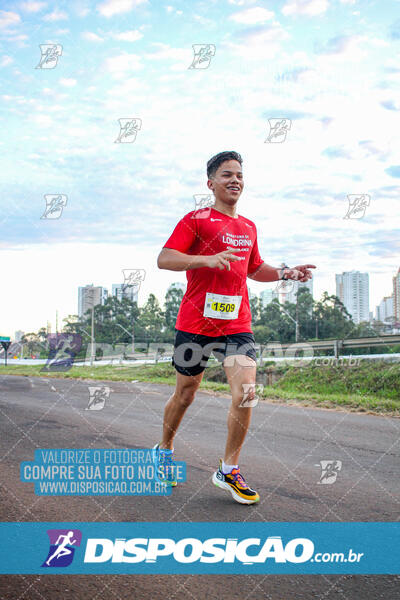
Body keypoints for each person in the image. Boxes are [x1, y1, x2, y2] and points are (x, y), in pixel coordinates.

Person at [153, 150, 315, 504]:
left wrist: (285, 272)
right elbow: (165, 259)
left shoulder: (249, 227)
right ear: (211, 183)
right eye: (227, 175)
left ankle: (228, 470)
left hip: (236, 325)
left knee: (247, 391)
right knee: (185, 394)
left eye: (239, 174)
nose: (235, 180)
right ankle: (163, 450)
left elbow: (254, 269)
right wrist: (205, 259)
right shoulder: (195, 220)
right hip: (195, 323)